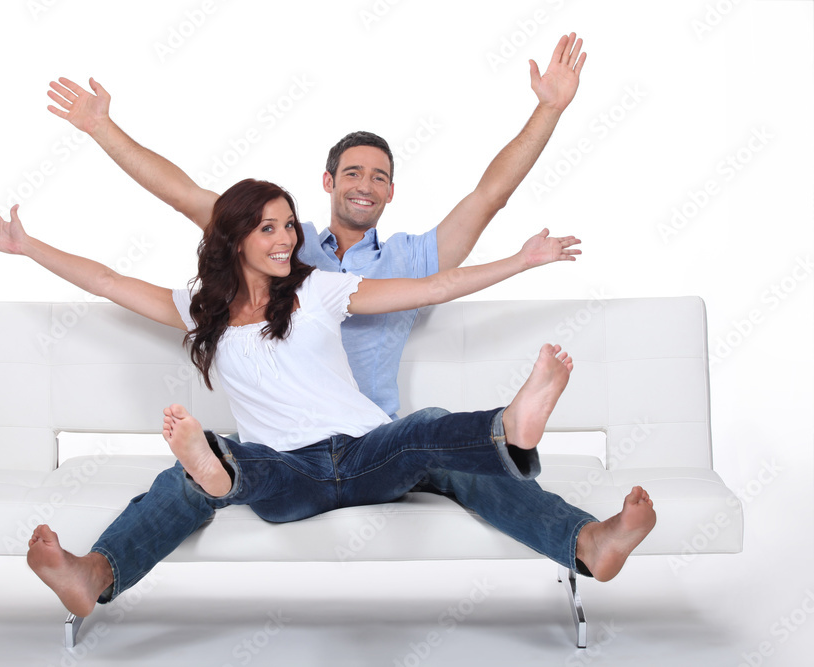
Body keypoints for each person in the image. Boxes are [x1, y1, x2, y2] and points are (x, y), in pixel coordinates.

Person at [39, 34, 628, 594]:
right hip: (280, 448)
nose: (365, 184)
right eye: (352, 172)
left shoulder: (401, 262)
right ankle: (104, 567)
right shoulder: (283, 249)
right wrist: (101, 127)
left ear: (391, 192)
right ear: (327, 182)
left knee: (441, 444)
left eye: (379, 176)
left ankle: (582, 535)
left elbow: (483, 204)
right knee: (204, 467)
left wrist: (548, 111)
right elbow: (179, 197)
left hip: (378, 440)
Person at [0, 179, 656, 619]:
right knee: (204, 468)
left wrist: (521, 260)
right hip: (287, 471)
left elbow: (432, 288)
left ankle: (577, 522)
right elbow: (106, 280)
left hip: (369, 453)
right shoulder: (199, 308)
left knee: (424, 432)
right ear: (234, 238)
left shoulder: (320, 289)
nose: (286, 238)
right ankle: (97, 570)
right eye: (269, 228)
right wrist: (27, 246)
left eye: (288, 225)